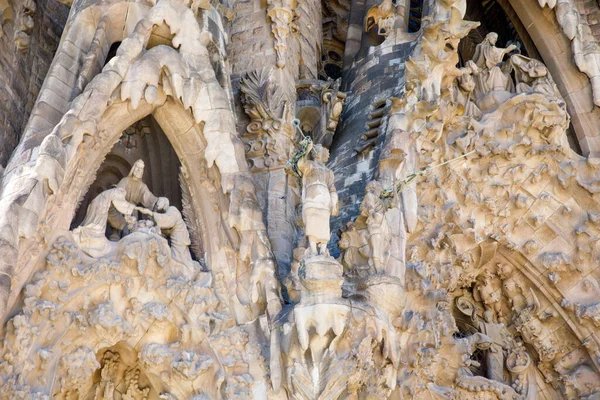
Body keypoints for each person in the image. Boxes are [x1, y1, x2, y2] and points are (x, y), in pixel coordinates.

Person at [137, 197, 199, 276]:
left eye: (159, 202)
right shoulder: (169, 212)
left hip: (179, 238)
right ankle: (184, 272)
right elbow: (167, 229)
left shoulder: (172, 210)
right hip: (176, 238)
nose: (157, 204)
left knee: (179, 256)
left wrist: (151, 213)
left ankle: (187, 272)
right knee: (177, 256)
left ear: (165, 202)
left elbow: (168, 221)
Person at [297, 141, 338, 255]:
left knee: (324, 223)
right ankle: (314, 250)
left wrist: (334, 201)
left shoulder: (329, 172)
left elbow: (332, 188)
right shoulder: (309, 164)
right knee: (311, 221)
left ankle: (323, 250)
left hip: (324, 198)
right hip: (312, 195)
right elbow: (300, 164)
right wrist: (306, 151)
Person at [73, 187, 135, 257]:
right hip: (98, 221)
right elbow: (121, 207)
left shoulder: (103, 199)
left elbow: (118, 213)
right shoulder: (113, 194)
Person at [108, 160, 158, 238]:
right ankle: (115, 233)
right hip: (122, 207)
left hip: (133, 210)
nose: (138, 170)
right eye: (137, 167)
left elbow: (149, 198)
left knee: (130, 232)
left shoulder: (142, 186)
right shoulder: (125, 181)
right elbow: (118, 192)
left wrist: (158, 201)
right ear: (133, 168)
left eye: (140, 169)